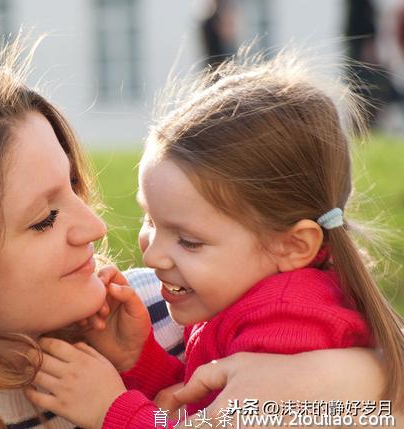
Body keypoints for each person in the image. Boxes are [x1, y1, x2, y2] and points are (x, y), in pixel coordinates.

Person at [0, 31, 393, 429]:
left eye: (73, 188)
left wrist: (349, 388)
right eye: (44, 219)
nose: (96, 227)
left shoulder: (166, 304)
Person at [25, 48, 404, 428]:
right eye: (151, 220)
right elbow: (203, 406)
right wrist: (139, 360)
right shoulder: (249, 293)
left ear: (293, 245)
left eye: (189, 241)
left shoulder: (288, 326)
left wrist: (111, 410)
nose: (154, 255)